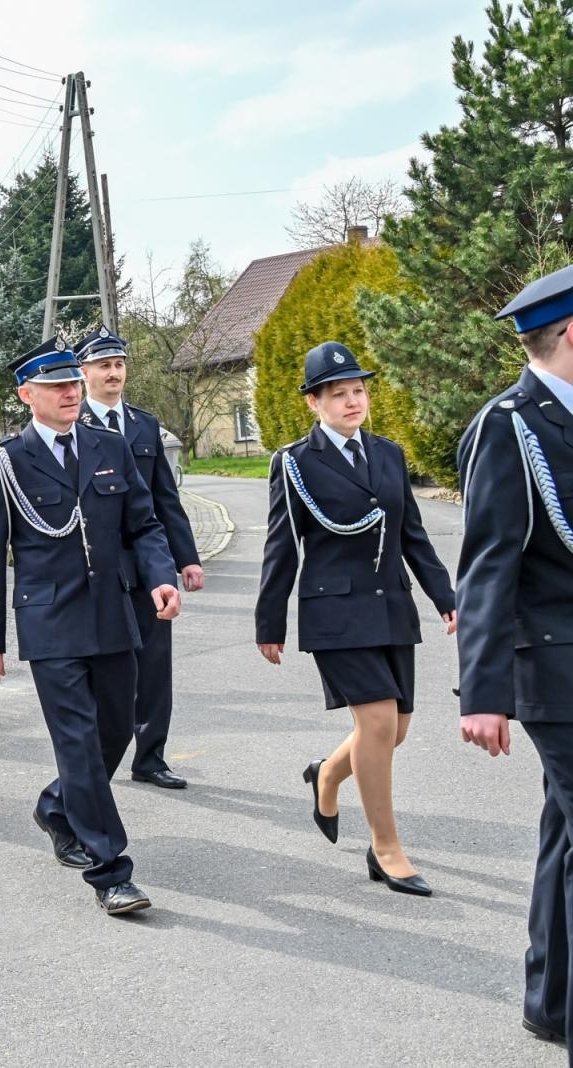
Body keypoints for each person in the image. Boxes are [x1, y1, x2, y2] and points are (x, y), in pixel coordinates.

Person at [0, 337, 180, 916]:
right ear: (26, 394)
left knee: (115, 731)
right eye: (56, 385)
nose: (69, 393)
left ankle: (58, 807)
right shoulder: (6, 461)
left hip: (113, 612)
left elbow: (144, 525)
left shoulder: (109, 445)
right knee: (79, 742)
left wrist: (161, 575)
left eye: (72, 383)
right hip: (51, 621)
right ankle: (112, 871)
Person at [256, 341, 455, 896]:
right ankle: (386, 848)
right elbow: (281, 546)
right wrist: (269, 621)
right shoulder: (293, 462)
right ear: (314, 403)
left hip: (390, 606)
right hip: (335, 611)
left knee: (397, 730)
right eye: (338, 394)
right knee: (376, 725)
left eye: (358, 391)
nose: (351, 401)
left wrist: (446, 596)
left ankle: (325, 774)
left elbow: (412, 533)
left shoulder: (388, 455)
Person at [456, 264, 573, 1047]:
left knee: (564, 835)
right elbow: (488, 564)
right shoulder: (508, 425)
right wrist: (482, 693)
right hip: (555, 668)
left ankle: (551, 1000)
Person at [77, 327, 204, 790]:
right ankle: (94, 758)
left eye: (119, 364)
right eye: (103, 365)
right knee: (102, 665)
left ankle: (150, 756)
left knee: (154, 663)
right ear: (84, 372)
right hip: (99, 567)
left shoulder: (144, 425)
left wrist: (186, 558)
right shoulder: (75, 427)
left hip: (148, 563)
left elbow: (165, 499)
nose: (114, 373)